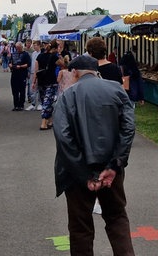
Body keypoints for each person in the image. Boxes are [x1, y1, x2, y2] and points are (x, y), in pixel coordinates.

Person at [53, 38, 136, 256]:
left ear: (76, 73)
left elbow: (63, 138)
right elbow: (128, 129)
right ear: (96, 71)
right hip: (111, 170)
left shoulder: (67, 96)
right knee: (117, 217)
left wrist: (84, 173)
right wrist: (115, 164)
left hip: (76, 173)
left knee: (80, 227)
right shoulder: (117, 91)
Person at [34, 42, 59, 130]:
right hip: (51, 81)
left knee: (45, 101)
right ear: (55, 48)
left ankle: (50, 121)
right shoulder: (55, 57)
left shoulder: (40, 56)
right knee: (48, 102)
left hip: (41, 81)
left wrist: (34, 81)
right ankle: (43, 123)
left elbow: (36, 70)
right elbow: (63, 64)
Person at [9, 41, 31, 111]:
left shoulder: (26, 54)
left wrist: (21, 66)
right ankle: (16, 105)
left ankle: (21, 105)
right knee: (14, 90)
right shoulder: (13, 54)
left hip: (22, 74)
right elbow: (10, 62)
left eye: (19, 48)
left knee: (22, 90)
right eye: (16, 48)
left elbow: (28, 64)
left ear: (22, 47)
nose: (17, 49)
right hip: (14, 74)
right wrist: (10, 65)